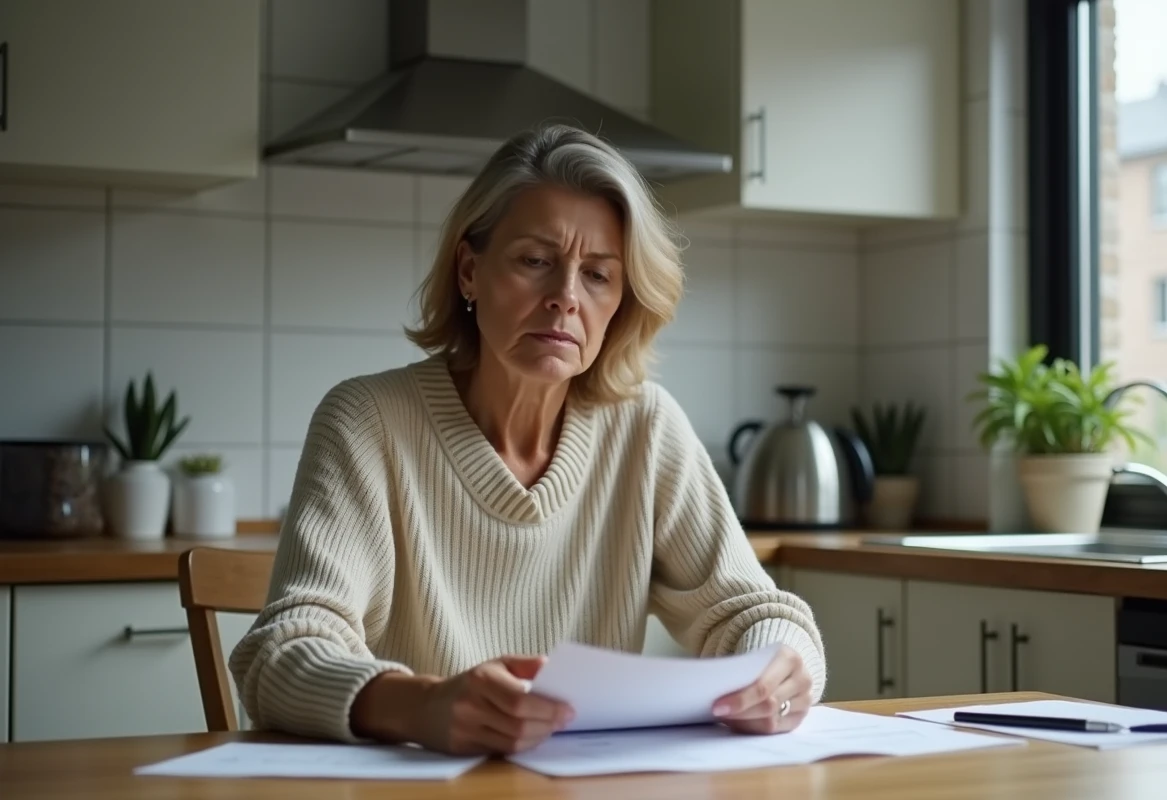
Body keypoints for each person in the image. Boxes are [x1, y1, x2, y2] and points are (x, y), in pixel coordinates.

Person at [229, 122, 826, 756]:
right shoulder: (368, 421)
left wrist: (782, 663)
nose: (564, 298)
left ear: (622, 299)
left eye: (597, 275)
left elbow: (752, 611)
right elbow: (279, 654)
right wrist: (420, 705)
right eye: (535, 261)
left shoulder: (646, 427)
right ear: (469, 269)